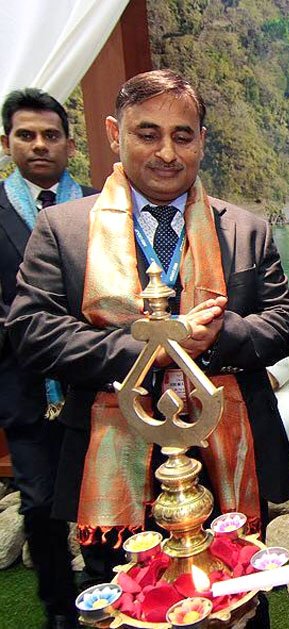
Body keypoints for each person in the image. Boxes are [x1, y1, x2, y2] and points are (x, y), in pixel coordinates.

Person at [6, 71, 289, 622]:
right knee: (128, 603)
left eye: (183, 136)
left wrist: (218, 338)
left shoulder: (245, 228)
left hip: (227, 459)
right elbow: (32, 330)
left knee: (239, 599)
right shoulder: (66, 228)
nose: (167, 152)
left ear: (202, 140)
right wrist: (152, 350)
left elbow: (285, 320)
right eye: (148, 134)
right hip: (114, 462)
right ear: (115, 134)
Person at [0, 88, 95, 629]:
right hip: (24, 385)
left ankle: (107, 589)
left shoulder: (99, 203)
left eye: (51, 135)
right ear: (7, 142)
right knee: (38, 503)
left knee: (98, 497)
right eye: (26, 135)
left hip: (93, 385)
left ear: (69, 143)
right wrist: (32, 330)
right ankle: (59, 605)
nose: (39, 145)